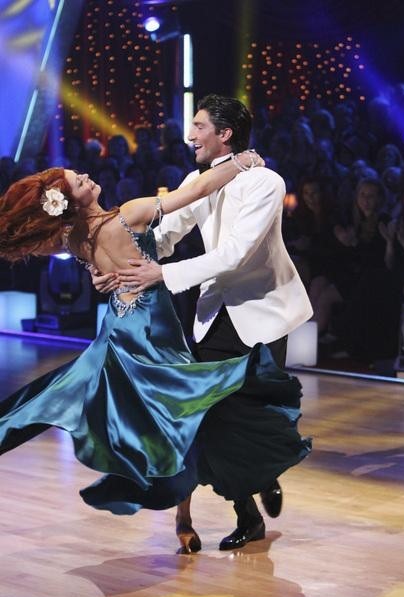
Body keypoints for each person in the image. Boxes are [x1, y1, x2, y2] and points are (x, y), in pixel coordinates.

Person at [0, 159, 312, 554]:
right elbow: (195, 192)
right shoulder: (130, 212)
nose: (87, 176)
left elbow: (83, 259)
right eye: (78, 181)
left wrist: (98, 271)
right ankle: (223, 498)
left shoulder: (72, 239)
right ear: (68, 201)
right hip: (153, 335)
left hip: (118, 334)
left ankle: (199, 513)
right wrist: (241, 161)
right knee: (187, 419)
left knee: (170, 422)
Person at [92, 94, 313, 552]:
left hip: (264, 313)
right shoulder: (198, 180)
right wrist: (118, 266)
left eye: (198, 125)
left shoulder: (266, 182)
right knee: (209, 417)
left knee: (256, 412)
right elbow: (165, 236)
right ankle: (248, 515)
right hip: (215, 316)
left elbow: (235, 255)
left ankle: (265, 471)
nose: (189, 134)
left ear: (224, 133)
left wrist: (162, 274)